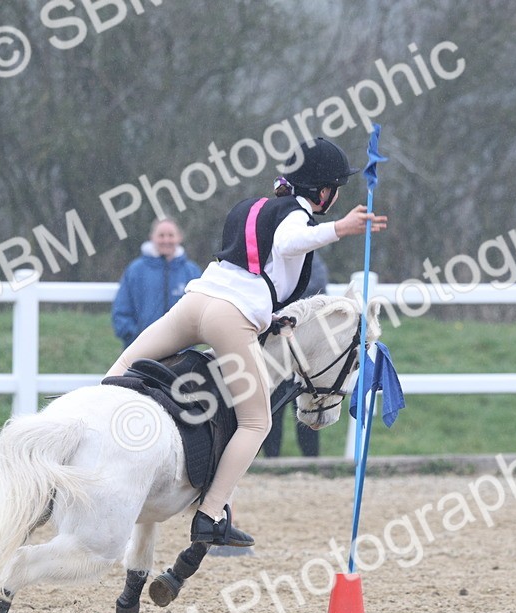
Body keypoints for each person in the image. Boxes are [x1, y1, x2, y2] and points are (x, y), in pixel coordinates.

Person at [105, 138, 387, 547]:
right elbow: (290, 243)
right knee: (257, 422)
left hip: (194, 304)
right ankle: (210, 515)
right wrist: (340, 229)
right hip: (228, 318)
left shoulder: (249, 207)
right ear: (323, 191)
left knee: (117, 373)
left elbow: (258, 266)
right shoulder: (296, 213)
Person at [262, 252, 328, 458]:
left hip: (305, 349)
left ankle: (311, 461)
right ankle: (271, 461)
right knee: (272, 409)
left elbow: (316, 293)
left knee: (308, 405)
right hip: (274, 349)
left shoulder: (311, 259)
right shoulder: (270, 257)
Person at [111, 219, 202, 348]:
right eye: (161, 235)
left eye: (170, 235)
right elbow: (121, 310)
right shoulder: (135, 270)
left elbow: (200, 312)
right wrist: (135, 337)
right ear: (152, 237)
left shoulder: (191, 272)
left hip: (182, 353)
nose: (166, 240)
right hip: (140, 352)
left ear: (179, 237)